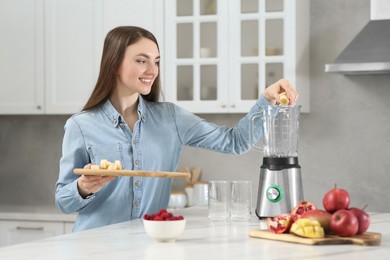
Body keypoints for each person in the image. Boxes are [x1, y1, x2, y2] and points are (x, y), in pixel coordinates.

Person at [55, 26, 298, 232]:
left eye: (156, 61)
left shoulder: (170, 118)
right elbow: (63, 202)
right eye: (142, 60)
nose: (152, 70)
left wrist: (267, 100)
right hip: (92, 246)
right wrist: (84, 187)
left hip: (148, 243)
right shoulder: (81, 125)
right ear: (115, 64)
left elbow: (236, 142)